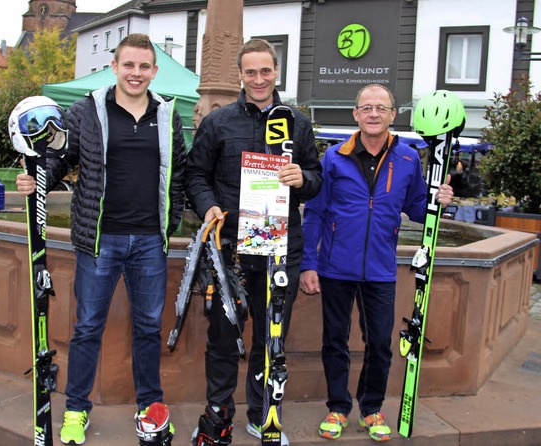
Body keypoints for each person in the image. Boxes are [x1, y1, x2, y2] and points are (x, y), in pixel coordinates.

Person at [15, 33, 186, 445]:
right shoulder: (86, 110)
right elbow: (60, 158)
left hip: (148, 240)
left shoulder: (167, 113)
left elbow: (177, 170)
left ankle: (151, 408)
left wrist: (172, 220)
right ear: (115, 66)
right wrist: (36, 179)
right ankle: (76, 410)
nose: (136, 73)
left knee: (148, 328)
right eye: (129, 65)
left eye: (144, 67)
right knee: (87, 326)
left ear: (154, 71)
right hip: (99, 239)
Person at [299, 85, 456, 442]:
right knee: (335, 341)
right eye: (366, 108)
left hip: (381, 269)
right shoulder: (335, 156)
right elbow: (316, 214)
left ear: (393, 114)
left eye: (380, 108)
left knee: (380, 344)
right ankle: (338, 408)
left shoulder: (407, 159)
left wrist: (439, 199)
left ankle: (371, 409)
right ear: (355, 114)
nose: (373, 114)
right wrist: (309, 263)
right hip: (335, 266)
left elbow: (417, 208)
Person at [186, 38, 322, 445]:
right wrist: (208, 206)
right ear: (240, 75)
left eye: (266, 71)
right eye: (251, 72)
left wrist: (304, 179)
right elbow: (195, 175)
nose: (259, 79)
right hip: (230, 247)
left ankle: (264, 414)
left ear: (276, 72)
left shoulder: (296, 122)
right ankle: (219, 413)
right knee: (224, 336)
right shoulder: (218, 121)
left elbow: (315, 179)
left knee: (271, 336)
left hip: (280, 247)